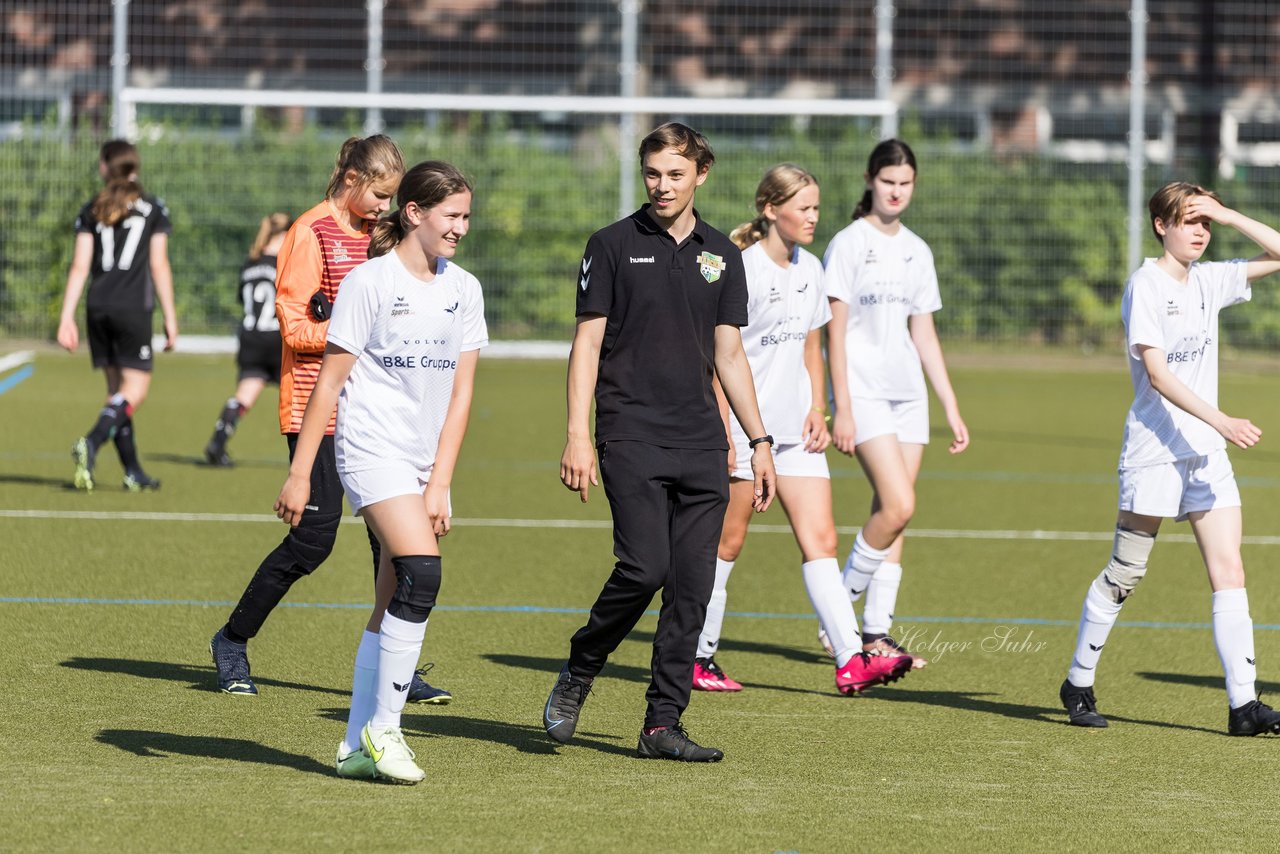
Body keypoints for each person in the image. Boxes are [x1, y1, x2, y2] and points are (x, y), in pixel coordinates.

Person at [545, 122, 777, 763]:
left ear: (701, 174)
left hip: (705, 444)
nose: (662, 185)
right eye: (653, 173)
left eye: (676, 174)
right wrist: (576, 435)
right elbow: (587, 343)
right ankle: (583, 663)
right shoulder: (612, 244)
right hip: (630, 434)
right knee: (645, 568)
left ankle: (660, 725)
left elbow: (730, 355)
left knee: (692, 588)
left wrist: (758, 441)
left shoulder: (721, 256)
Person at [210, 135, 450, 706]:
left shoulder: (382, 237)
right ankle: (232, 640)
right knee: (312, 542)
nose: (385, 207)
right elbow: (293, 329)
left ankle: (396, 665)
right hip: (313, 409)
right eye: (379, 194)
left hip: (376, 412)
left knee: (393, 547)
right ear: (350, 180)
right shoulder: (309, 232)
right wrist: (353, 330)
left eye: (394, 197)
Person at [275, 160, 486, 783]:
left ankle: (351, 746)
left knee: (392, 594)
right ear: (415, 214)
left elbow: (462, 395)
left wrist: (441, 481)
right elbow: (330, 383)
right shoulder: (370, 282)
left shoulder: (464, 290)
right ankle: (386, 730)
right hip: (370, 450)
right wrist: (300, 472)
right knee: (422, 575)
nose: (461, 228)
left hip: (424, 463)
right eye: (452, 216)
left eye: (467, 216)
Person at [1059, 182, 1280, 736]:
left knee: (1229, 570)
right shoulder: (1146, 285)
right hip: (1156, 451)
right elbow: (1158, 375)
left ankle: (1244, 705)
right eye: (1189, 220)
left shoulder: (1211, 278)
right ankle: (1078, 681)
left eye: (1205, 222)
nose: (1200, 231)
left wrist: (1229, 214)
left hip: (1205, 456)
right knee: (1126, 572)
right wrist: (1222, 420)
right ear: (1162, 226)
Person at [690, 163, 914, 697]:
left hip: (796, 432)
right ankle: (698, 657)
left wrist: (819, 407)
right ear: (771, 210)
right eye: (804, 208)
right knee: (728, 541)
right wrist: (725, 428)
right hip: (748, 431)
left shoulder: (811, 268)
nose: (814, 217)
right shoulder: (741, 268)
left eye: (816, 207)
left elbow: (811, 345)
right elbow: (721, 357)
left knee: (822, 540)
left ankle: (850, 659)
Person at [823, 138, 969, 666]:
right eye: (888, 182)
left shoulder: (917, 249)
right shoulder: (847, 243)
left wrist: (949, 405)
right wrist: (841, 404)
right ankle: (836, 614)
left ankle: (875, 634)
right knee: (899, 503)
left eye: (905, 184)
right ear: (869, 179)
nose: (897, 192)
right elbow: (833, 333)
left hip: (909, 397)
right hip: (862, 393)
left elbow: (924, 334)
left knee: (895, 514)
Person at [58, 139, 178, 492]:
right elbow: (158, 264)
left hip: (97, 307)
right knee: (134, 392)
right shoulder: (153, 207)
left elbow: (80, 266)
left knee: (117, 395)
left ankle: (133, 472)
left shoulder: (91, 208)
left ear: (104, 167)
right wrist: (171, 316)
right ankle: (92, 443)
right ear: (135, 166)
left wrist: (67, 316)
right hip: (132, 308)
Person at [203, 212, 292, 467]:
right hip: (277, 340)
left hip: (250, 338)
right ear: (284, 234)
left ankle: (218, 442)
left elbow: (244, 301)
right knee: (301, 397)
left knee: (243, 396)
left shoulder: (249, 263)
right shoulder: (284, 264)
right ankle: (307, 452)